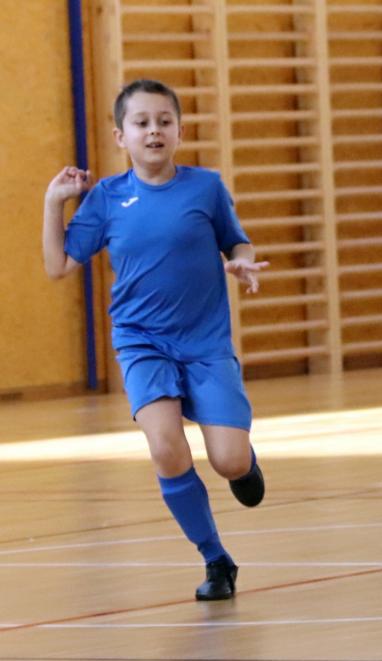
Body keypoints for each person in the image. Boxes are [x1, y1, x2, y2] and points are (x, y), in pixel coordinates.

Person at [42, 78, 268, 601]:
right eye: (141, 122)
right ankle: (216, 558)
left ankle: (243, 461)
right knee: (166, 448)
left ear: (180, 131)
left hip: (205, 344)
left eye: (164, 121)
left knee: (229, 461)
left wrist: (242, 261)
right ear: (120, 136)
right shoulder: (106, 198)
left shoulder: (205, 188)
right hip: (142, 343)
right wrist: (54, 203)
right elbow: (58, 265)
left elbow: (236, 241)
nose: (153, 131)